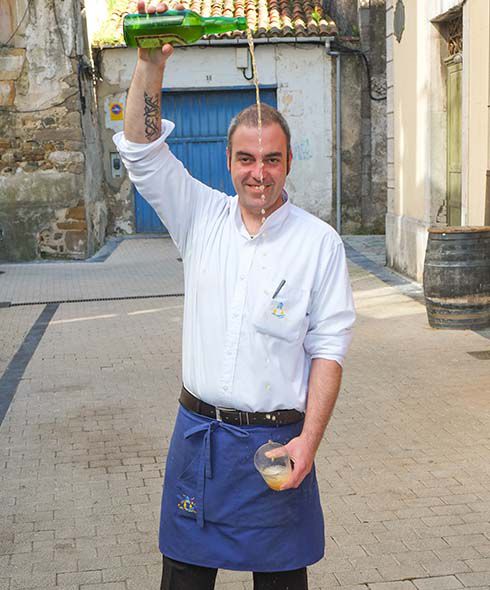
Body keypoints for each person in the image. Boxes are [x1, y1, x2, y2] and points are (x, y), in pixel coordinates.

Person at [114, 2, 356, 588]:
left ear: (288, 161)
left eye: (271, 159)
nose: (259, 172)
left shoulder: (319, 243)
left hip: (276, 448)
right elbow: (142, 152)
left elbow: (329, 350)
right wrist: (150, 62)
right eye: (246, 159)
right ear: (228, 163)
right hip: (199, 443)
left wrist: (309, 442)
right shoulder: (199, 216)